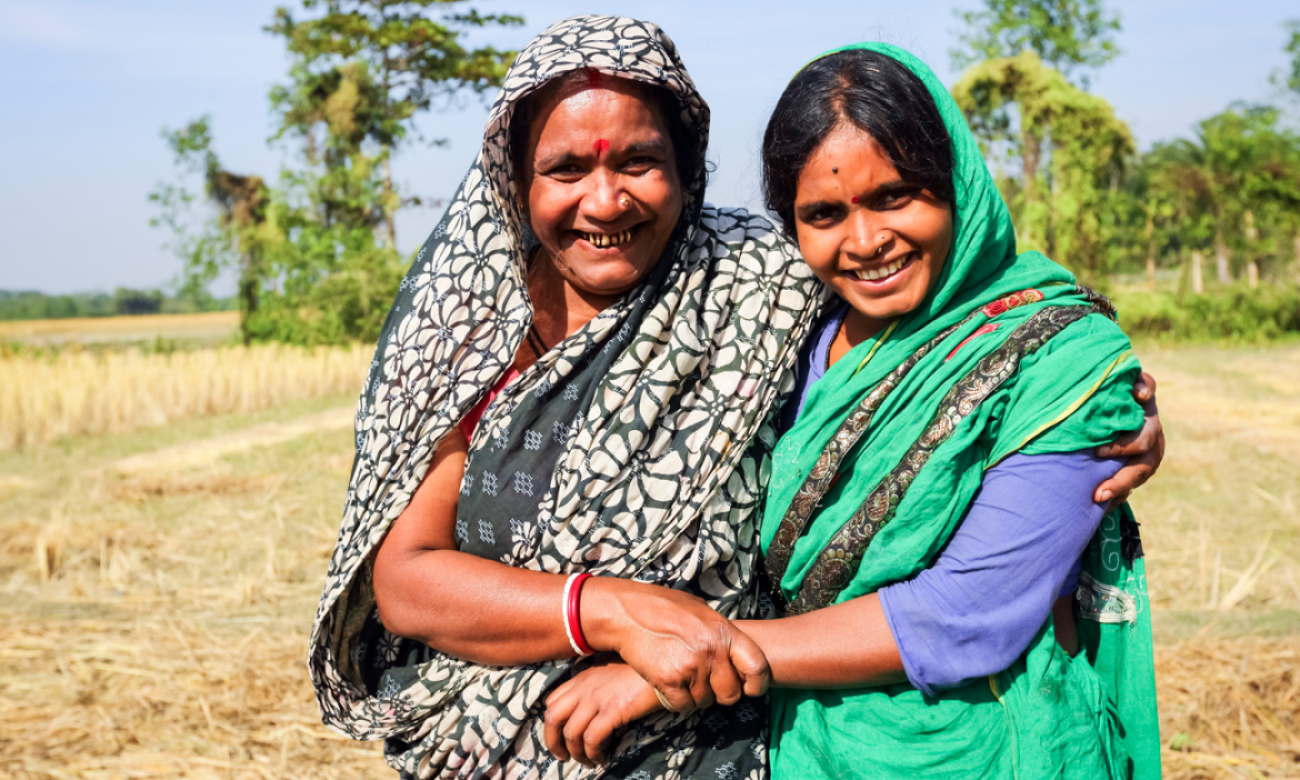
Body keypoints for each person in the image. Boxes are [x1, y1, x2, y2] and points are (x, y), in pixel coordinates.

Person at [308, 18, 1163, 779]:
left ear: (688, 171)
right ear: (514, 180)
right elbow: (407, 582)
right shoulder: (470, 330)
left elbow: (986, 366)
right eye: (565, 168)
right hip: (517, 742)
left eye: (639, 161)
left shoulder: (760, 284)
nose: (603, 200)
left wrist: (1108, 409)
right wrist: (614, 611)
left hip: (767, 740)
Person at [545, 44, 1161, 780]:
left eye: (897, 195)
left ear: (956, 182)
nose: (866, 242)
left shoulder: (1062, 360)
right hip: (807, 745)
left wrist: (674, 667)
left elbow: (967, 613)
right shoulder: (793, 334)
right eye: (825, 214)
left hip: (984, 749)